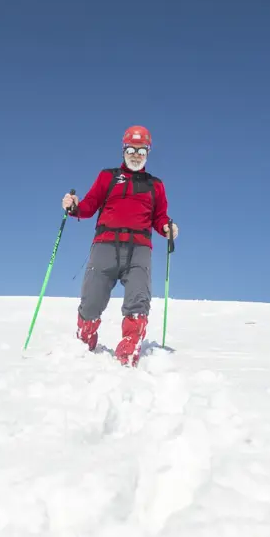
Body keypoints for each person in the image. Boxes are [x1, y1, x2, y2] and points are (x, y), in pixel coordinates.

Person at [61, 125, 179, 366]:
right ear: (124, 150)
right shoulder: (108, 177)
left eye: (141, 150)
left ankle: (128, 353)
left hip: (139, 250)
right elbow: (89, 205)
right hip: (105, 245)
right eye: (132, 149)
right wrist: (73, 206)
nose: (136, 155)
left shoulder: (156, 185)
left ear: (148, 153)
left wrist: (167, 227)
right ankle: (83, 345)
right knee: (91, 300)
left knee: (138, 300)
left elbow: (160, 217)